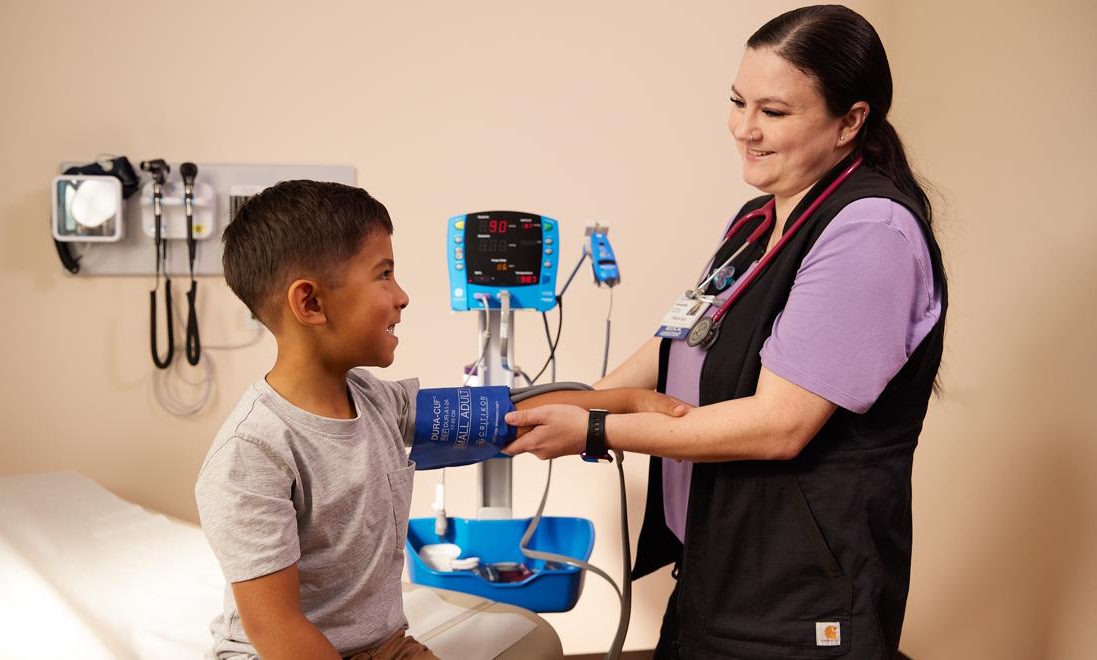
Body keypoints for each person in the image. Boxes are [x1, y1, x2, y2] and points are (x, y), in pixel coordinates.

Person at [503, 5, 947, 659]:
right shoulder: (755, 219)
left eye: (774, 112)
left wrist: (593, 429)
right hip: (720, 558)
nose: (744, 129)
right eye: (738, 102)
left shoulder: (869, 232)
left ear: (851, 120)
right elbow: (678, 341)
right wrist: (576, 399)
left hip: (800, 589)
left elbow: (779, 424)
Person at [194, 180, 685, 660]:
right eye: (383, 274)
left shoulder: (374, 402)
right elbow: (276, 629)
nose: (402, 296)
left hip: (383, 645)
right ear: (312, 303)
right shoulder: (251, 455)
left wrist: (627, 402)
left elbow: (507, 412)